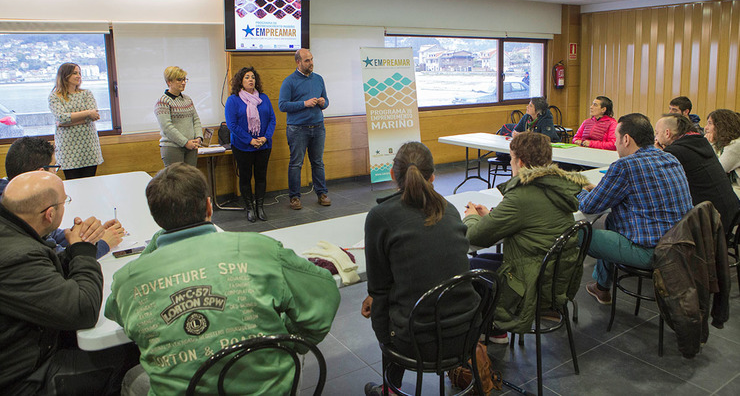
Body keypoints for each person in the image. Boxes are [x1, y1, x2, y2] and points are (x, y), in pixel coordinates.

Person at [105, 163, 340, 395]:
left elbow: (114, 311)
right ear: (209, 207)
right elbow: (324, 292)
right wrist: (289, 341)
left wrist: (156, 244)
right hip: (269, 388)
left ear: (157, 220)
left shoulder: (128, 280)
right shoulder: (260, 249)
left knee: (132, 379)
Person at [0, 171, 138, 395]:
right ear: (50, 214)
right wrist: (83, 251)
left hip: (31, 349)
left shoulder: (12, 231)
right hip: (27, 378)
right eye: (65, 201)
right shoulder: (17, 257)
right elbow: (84, 310)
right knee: (135, 351)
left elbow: (43, 270)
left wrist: (77, 248)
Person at [362, 142, 480, 396]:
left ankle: (390, 389)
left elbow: (379, 289)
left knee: (389, 303)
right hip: (466, 334)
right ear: (433, 176)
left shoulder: (379, 217)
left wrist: (385, 335)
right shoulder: (449, 209)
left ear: (393, 176)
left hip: (414, 343)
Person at [464, 132, 589, 340]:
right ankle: (495, 328)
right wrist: (493, 215)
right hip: (555, 276)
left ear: (520, 162)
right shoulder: (557, 187)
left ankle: (493, 326)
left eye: (512, 159)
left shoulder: (522, 195)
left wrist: (471, 217)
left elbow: (475, 237)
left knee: (468, 266)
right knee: (479, 260)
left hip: (531, 284)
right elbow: (533, 218)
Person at [579, 113, 693, 304]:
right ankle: (601, 287)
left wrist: (580, 191)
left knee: (577, 233)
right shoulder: (670, 158)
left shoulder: (625, 166)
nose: (615, 144)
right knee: (611, 221)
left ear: (626, 139)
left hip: (651, 252)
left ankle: (556, 301)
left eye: (616, 138)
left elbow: (588, 206)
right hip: (679, 247)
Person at [0, 136, 124, 258]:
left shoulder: (11, 193)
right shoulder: (20, 209)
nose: (56, 173)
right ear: (41, 172)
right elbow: (61, 261)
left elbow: (51, 234)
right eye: (54, 167)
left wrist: (87, 235)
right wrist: (104, 244)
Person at [655, 114, 739, 230]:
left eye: (657, 133)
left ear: (667, 133)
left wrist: (659, 154)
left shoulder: (674, 152)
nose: (656, 137)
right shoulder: (699, 142)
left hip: (712, 222)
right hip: (730, 214)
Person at [278, 48, 331, 210]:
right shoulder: (289, 81)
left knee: (318, 163)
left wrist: (323, 102)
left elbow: (327, 102)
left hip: (318, 127)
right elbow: (282, 105)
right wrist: (304, 104)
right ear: (298, 62)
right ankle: (294, 197)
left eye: (312, 59)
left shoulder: (319, 79)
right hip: (297, 129)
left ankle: (322, 193)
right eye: (307, 60)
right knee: (296, 164)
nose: (311, 63)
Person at [225, 67, 277, 222]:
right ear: (240, 81)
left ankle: (259, 207)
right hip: (243, 146)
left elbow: (272, 120)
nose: (250, 80)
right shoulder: (233, 100)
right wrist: (250, 140)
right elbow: (232, 125)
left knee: (261, 177)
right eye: (247, 77)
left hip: (263, 145)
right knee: (245, 178)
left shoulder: (264, 98)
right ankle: (249, 208)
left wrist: (265, 138)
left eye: (253, 77)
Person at [48, 62, 104, 179]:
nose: (79, 76)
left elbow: (94, 115)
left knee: (90, 182)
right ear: (65, 75)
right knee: (72, 182)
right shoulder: (55, 96)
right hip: (68, 149)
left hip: (88, 147)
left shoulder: (86, 93)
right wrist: (87, 113)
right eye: (75, 73)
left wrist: (66, 123)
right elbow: (61, 117)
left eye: (79, 73)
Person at [154, 66, 203, 167]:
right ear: (169, 82)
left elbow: (196, 120)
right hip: (173, 148)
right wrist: (185, 142)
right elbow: (167, 127)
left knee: (190, 179)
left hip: (191, 147)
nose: (183, 82)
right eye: (179, 80)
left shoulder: (187, 99)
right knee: (176, 180)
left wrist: (198, 137)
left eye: (184, 79)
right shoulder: (162, 101)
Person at [705, 109, 740, 199]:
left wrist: (710, 144)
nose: (706, 128)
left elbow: (716, 171)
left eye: (709, 123)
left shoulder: (736, 144)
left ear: (721, 126)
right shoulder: (725, 143)